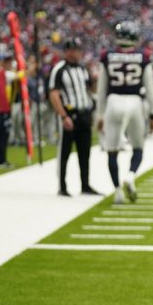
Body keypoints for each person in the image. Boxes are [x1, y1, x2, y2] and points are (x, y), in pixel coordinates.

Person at [96, 21, 153, 204]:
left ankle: (117, 191)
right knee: (138, 147)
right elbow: (150, 88)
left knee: (112, 150)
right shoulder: (143, 56)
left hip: (113, 101)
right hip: (135, 102)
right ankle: (131, 176)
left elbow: (101, 89)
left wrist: (99, 115)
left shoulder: (107, 56)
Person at [48, 38, 100, 197]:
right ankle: (62, 186)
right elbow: (54, 94)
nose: (76, 53)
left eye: (78, 49)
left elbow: (91, 89)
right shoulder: (59, 69)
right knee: (64, 152)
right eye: (73, 50)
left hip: (84, 114)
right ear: (67, 51)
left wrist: (96, 78)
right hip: (69, 114)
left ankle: (85, 184)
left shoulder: (84, 69)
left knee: (85, 152)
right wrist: (63, 116)